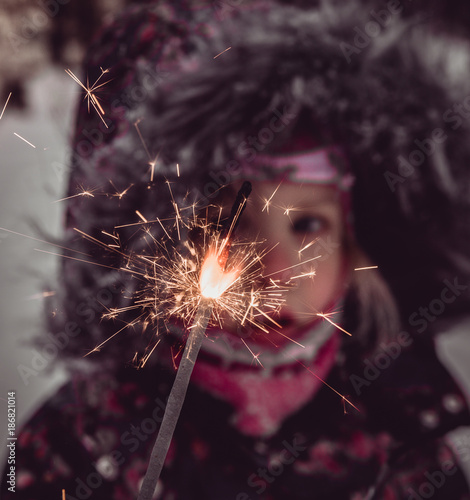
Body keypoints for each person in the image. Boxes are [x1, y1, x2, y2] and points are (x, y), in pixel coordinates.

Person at [3, 1, 470, 498]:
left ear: (356, 252)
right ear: (150, 249)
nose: (277, 270)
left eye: (308, 224)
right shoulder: (78, 444)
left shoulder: (406, 443)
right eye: (224, 224)